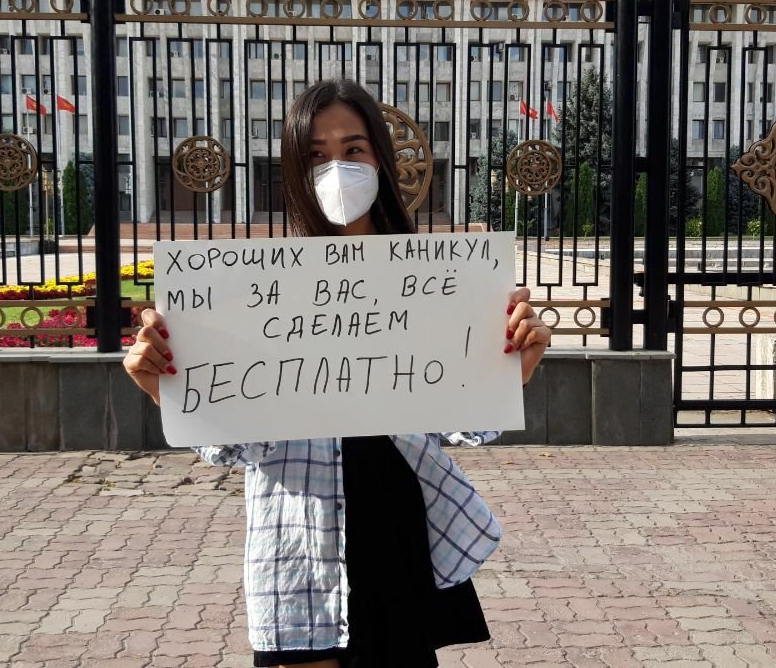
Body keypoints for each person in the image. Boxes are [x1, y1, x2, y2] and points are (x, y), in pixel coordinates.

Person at [124, 79, 551, 668]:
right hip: (299, 539)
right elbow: (238, 447)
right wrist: (165, 388)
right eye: (316, 156)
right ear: (295, 172)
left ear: (380, 159)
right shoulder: (253, 291)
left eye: (353, 149)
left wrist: (512, 371)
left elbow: (459, 425)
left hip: (396, 525)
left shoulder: (436, 281)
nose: (337, 170)